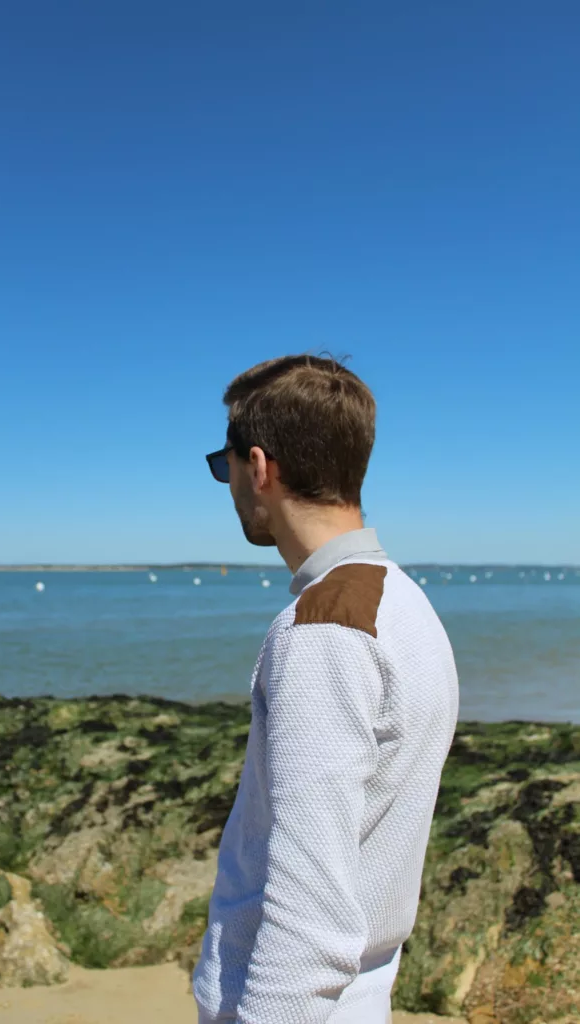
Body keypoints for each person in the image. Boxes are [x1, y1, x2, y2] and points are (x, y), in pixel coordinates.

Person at [194, 355, 459, 1024]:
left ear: (260, 466)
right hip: (360, 994)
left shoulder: (322, 630)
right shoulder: (401, 603)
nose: (228, 486)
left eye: (223, 467)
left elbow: (308, 906)